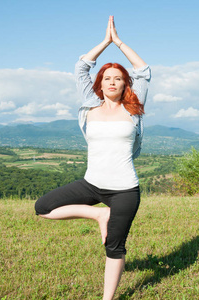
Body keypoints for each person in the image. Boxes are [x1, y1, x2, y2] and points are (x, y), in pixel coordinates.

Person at [34, 16, 150, 299]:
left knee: (114, 247)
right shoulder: (89, 106)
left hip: (124, 189)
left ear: (125, 85)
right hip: (91, 184)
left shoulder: (133, 108)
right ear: (100, 83)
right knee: (43, 207)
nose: (112, 82)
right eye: (107, 78)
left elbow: (144, 70)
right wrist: (105, 42)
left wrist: (119, 42)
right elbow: (81, 66)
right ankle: (99, 214)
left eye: (118, 78)